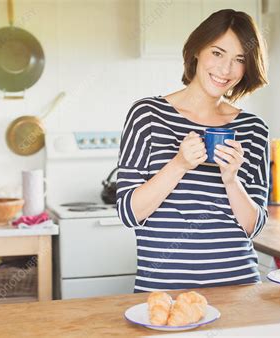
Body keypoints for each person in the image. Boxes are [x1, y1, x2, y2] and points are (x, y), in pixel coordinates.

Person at [116, 9, 270, 293]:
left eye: (239, 59)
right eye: (217, 53)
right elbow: (129, 213)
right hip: (163, 291)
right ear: (197, 50)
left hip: (239, 290)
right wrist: (178, 164)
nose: (225, 70)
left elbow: (254, 227)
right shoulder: (148, 115)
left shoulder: (253, 129)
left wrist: (231, 180)